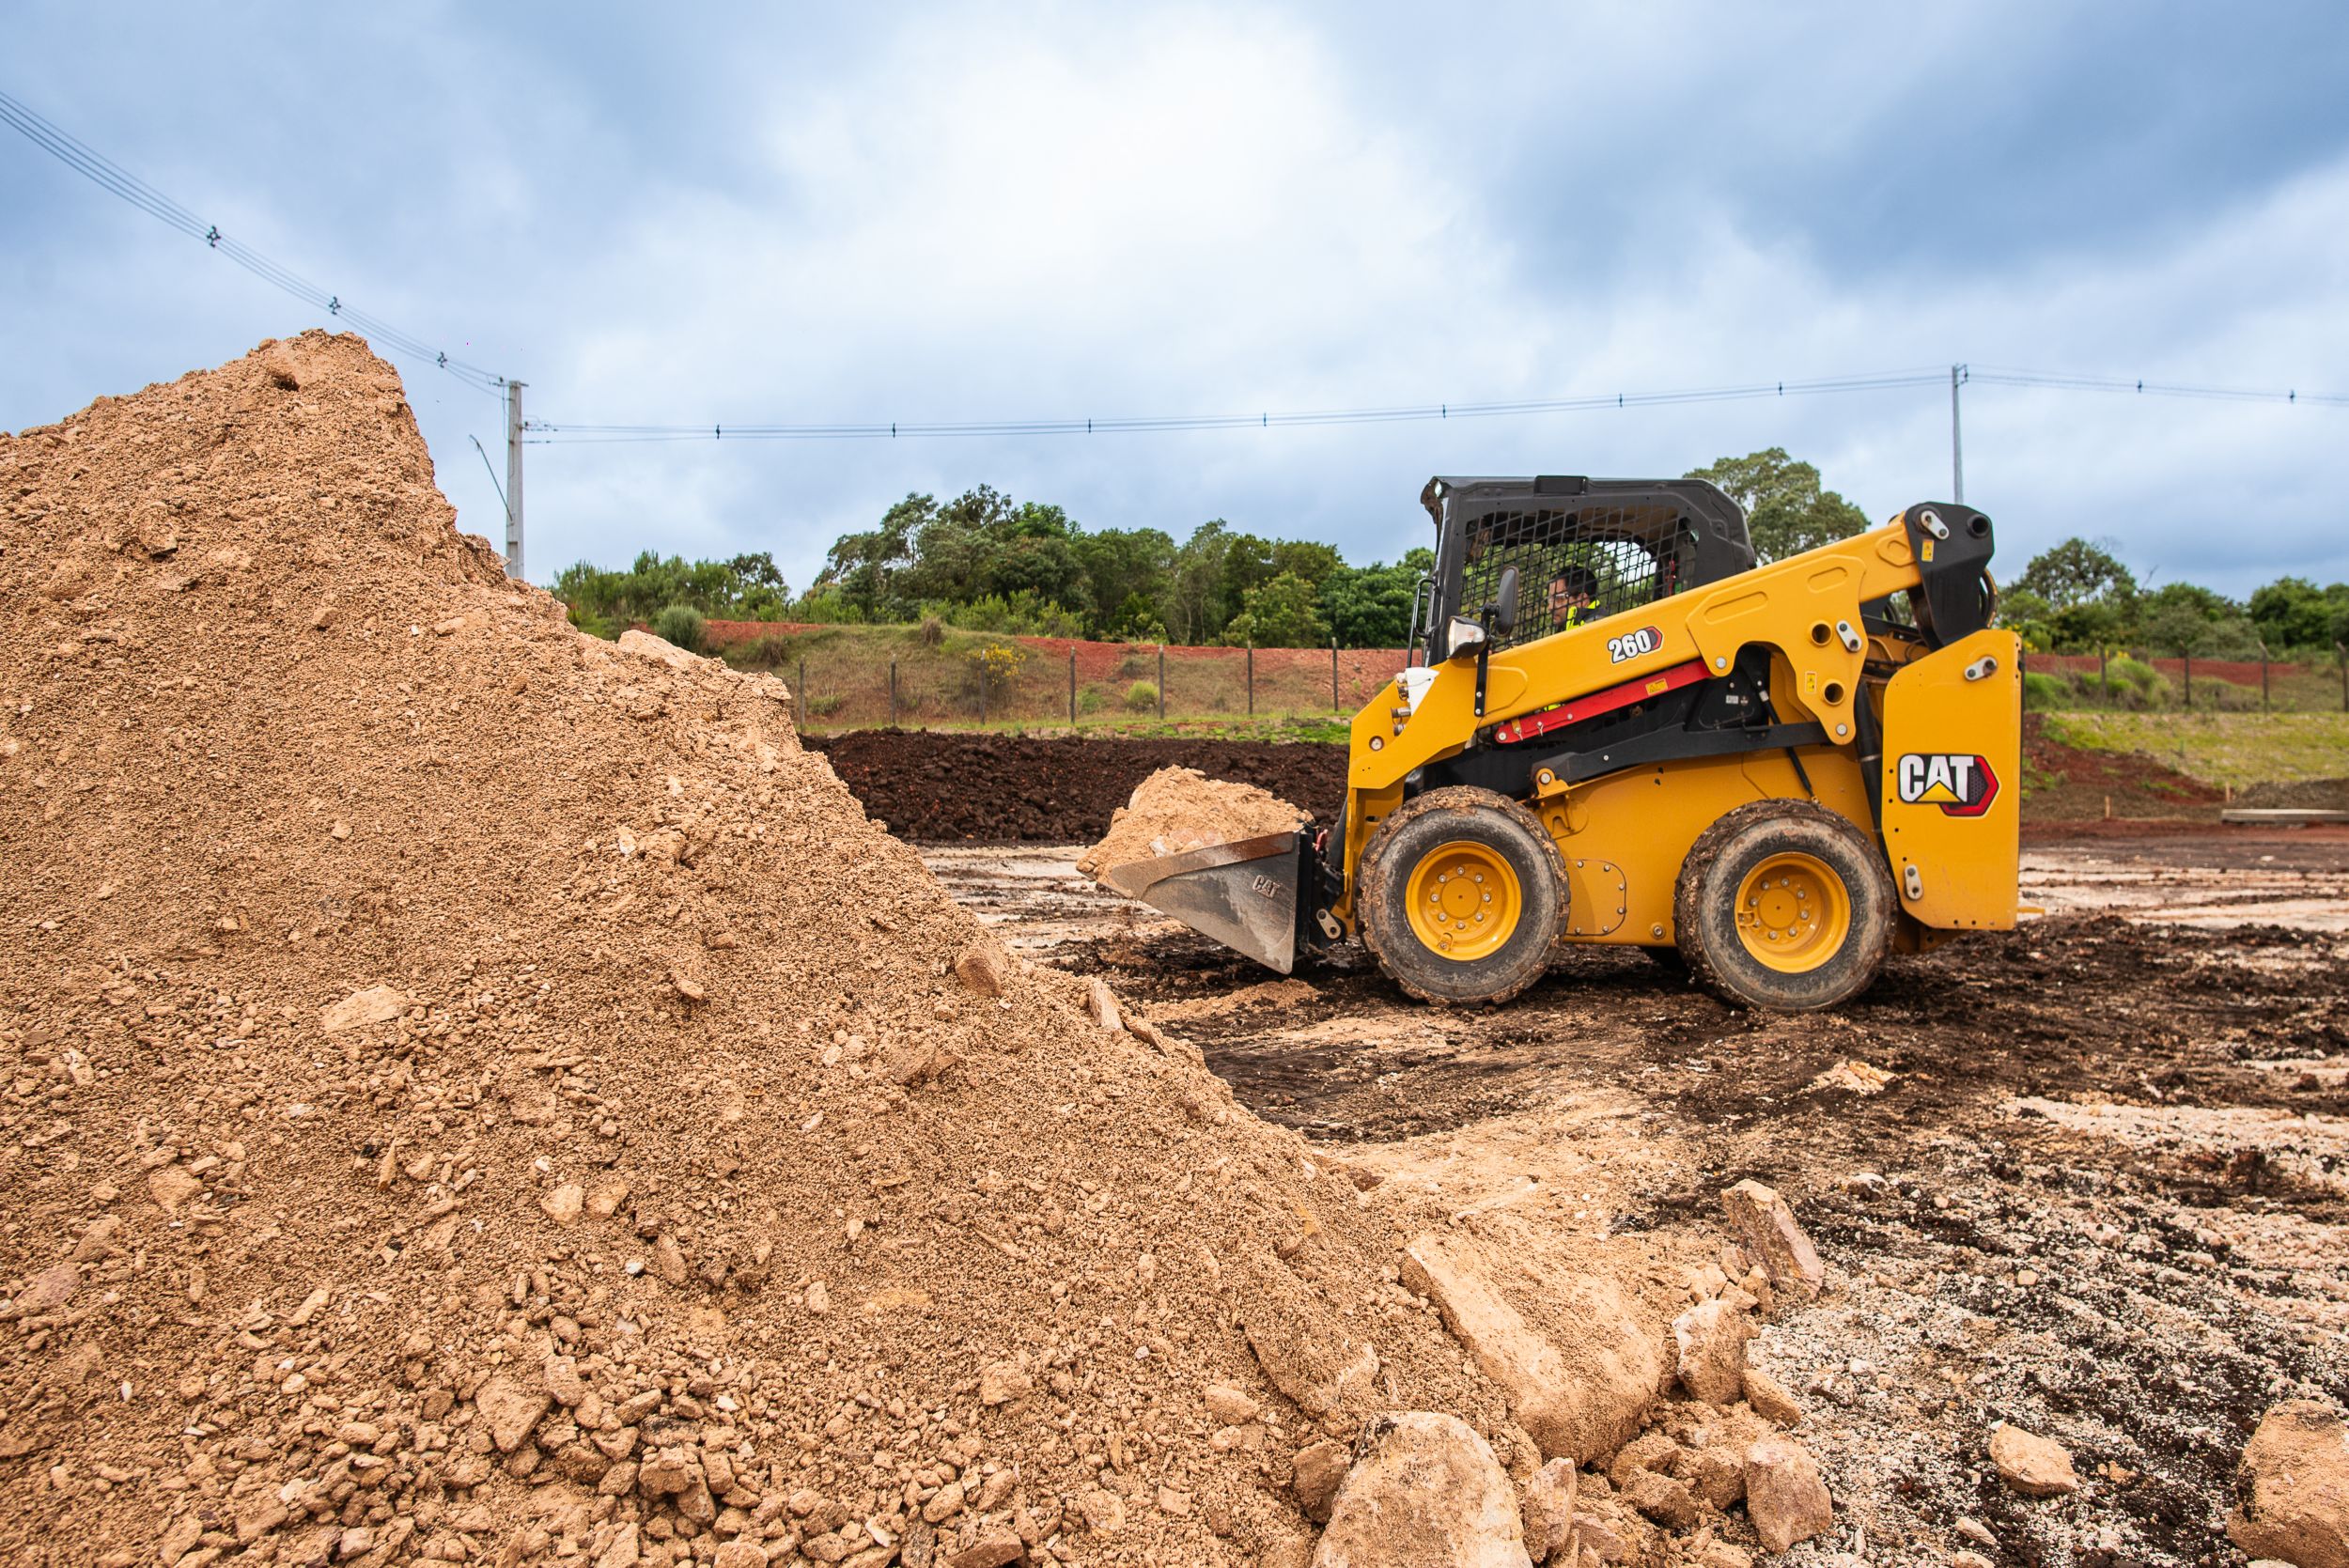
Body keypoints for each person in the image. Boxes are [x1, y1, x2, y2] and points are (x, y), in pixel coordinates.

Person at [1548, 566, 1598, 630]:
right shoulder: (1572, 628)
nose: (1550, 607)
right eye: (1551, 599)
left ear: (1582, 600)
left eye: (1558, 598)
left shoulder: (1596, 628)